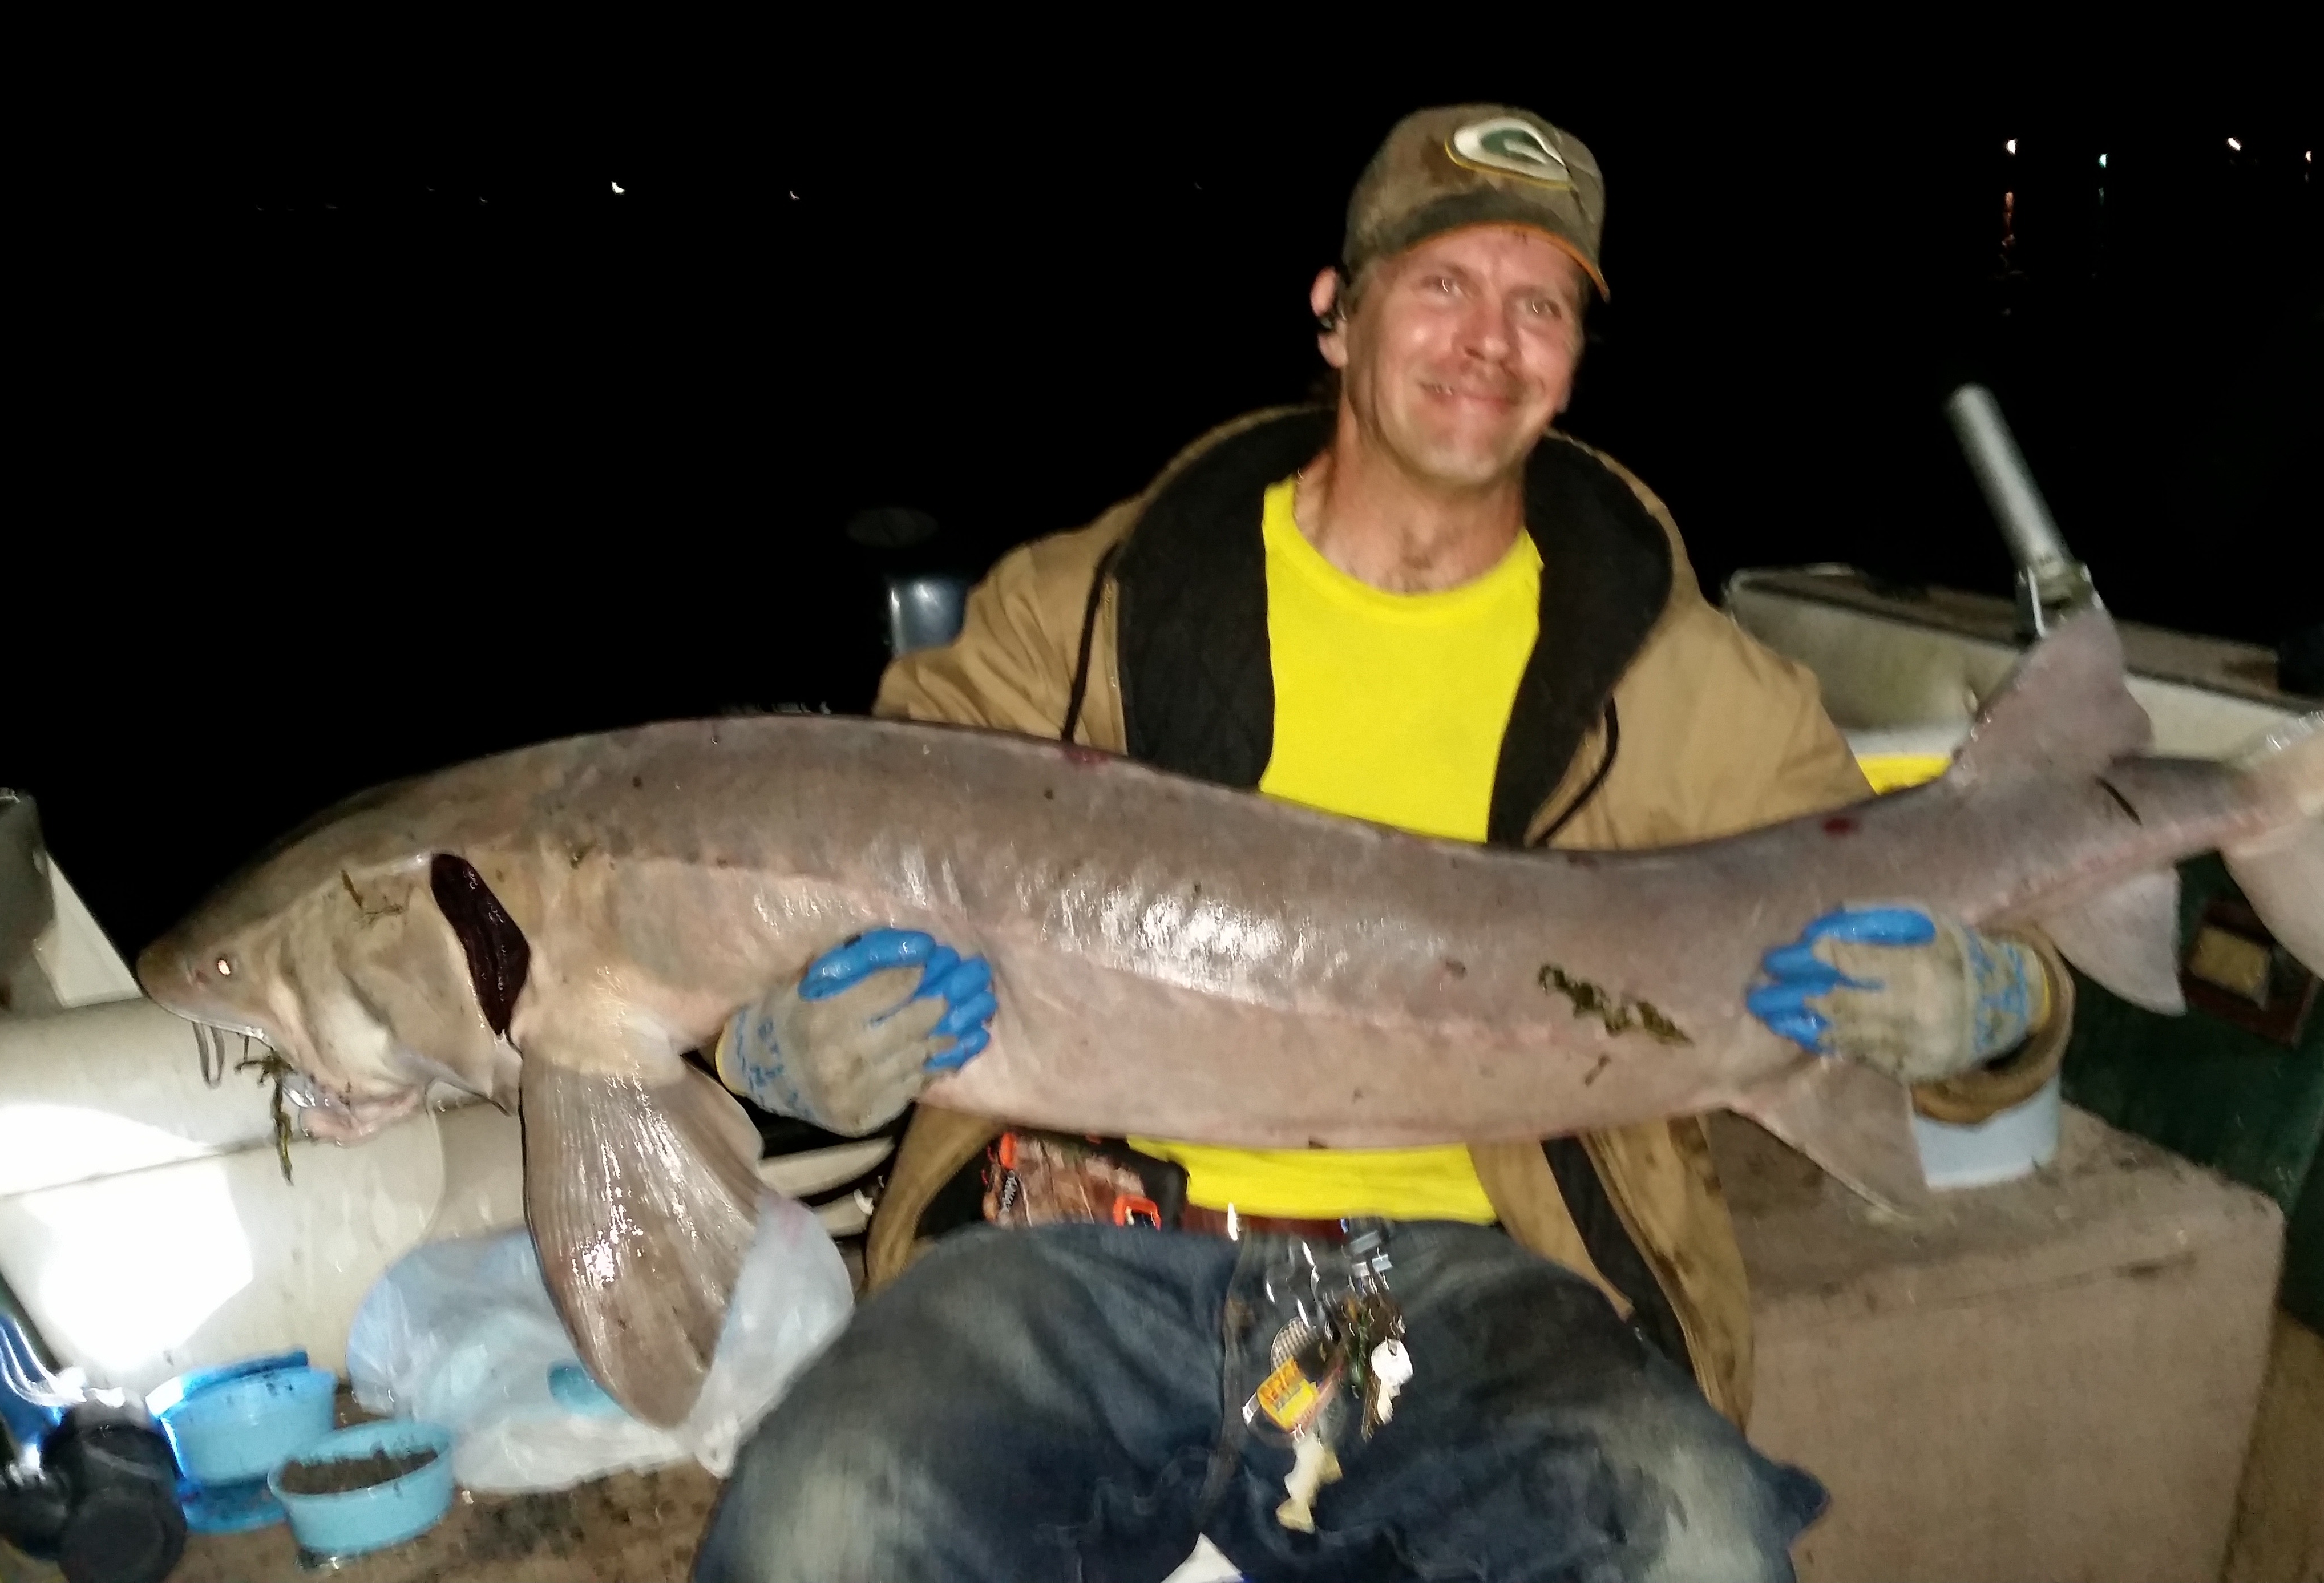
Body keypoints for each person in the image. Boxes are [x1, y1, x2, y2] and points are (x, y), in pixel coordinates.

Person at [694, 106, 2066, 1582]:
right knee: (818, 1519)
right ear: (1337, 316)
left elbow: (1939, 876)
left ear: (1573, 359)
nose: (1493, 337)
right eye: (1444, 285)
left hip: (1473, 1275)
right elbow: (827, 848)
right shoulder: (1091, 601)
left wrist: (1999, 1006)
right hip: (1079, 1242)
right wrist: (776, 1042)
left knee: (1701, 1543)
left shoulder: (1668, 669)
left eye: (1541, 302)